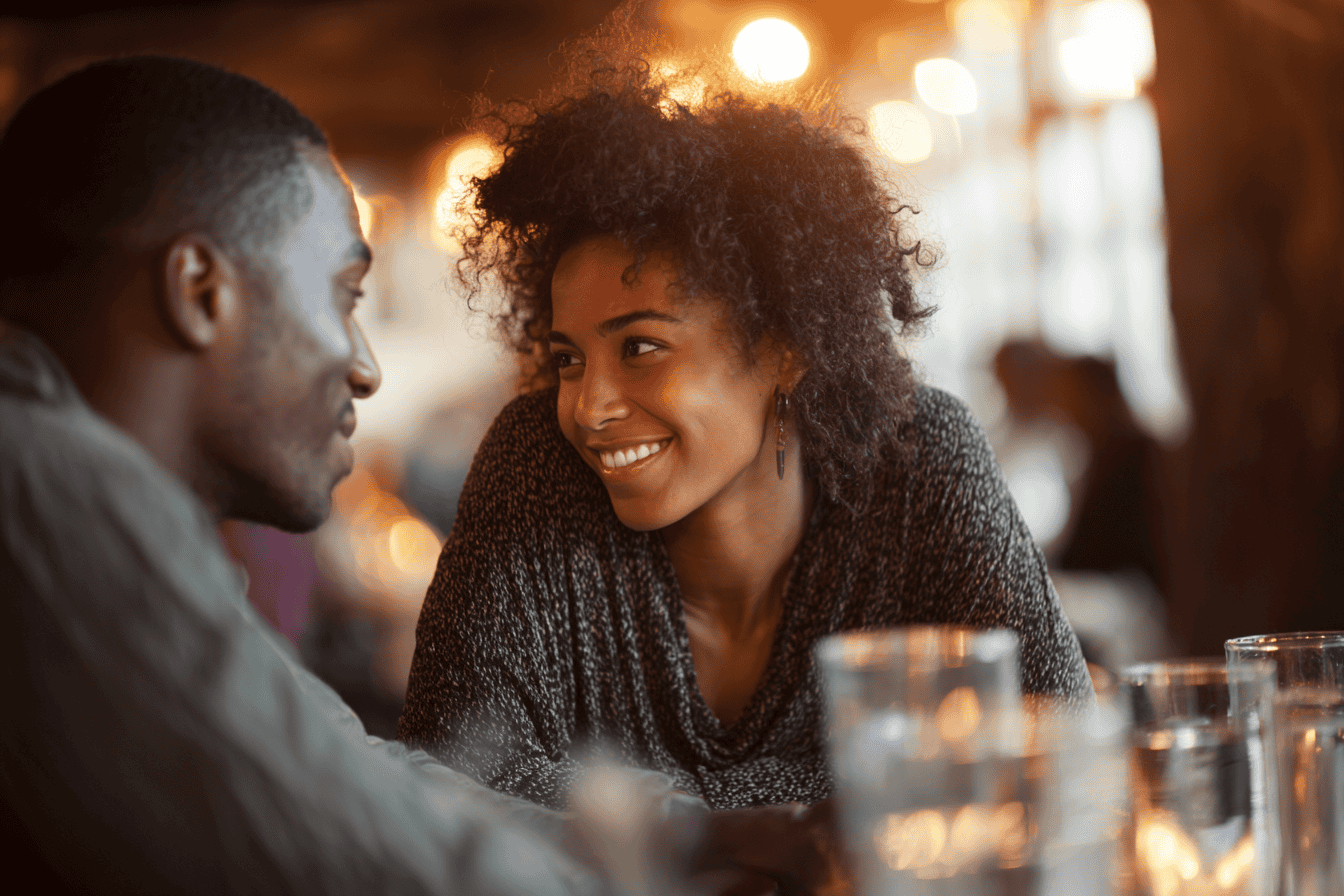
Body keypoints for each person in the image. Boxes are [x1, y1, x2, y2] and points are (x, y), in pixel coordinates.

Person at [396, 24, 1094, 824]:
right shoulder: (534, 462)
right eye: (569, 359)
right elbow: (448, 775)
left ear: (786, 347)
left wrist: (634, 819)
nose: (588, 407)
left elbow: (1058, 744)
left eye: (641, 347)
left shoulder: (918, 455)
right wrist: (793, 823)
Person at [0, 56, 603, 895]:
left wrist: (694, 841)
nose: (366, 369)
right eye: (346, 296)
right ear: (201, 293)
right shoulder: (55, 484)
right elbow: (363, 857)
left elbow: (345, 774)